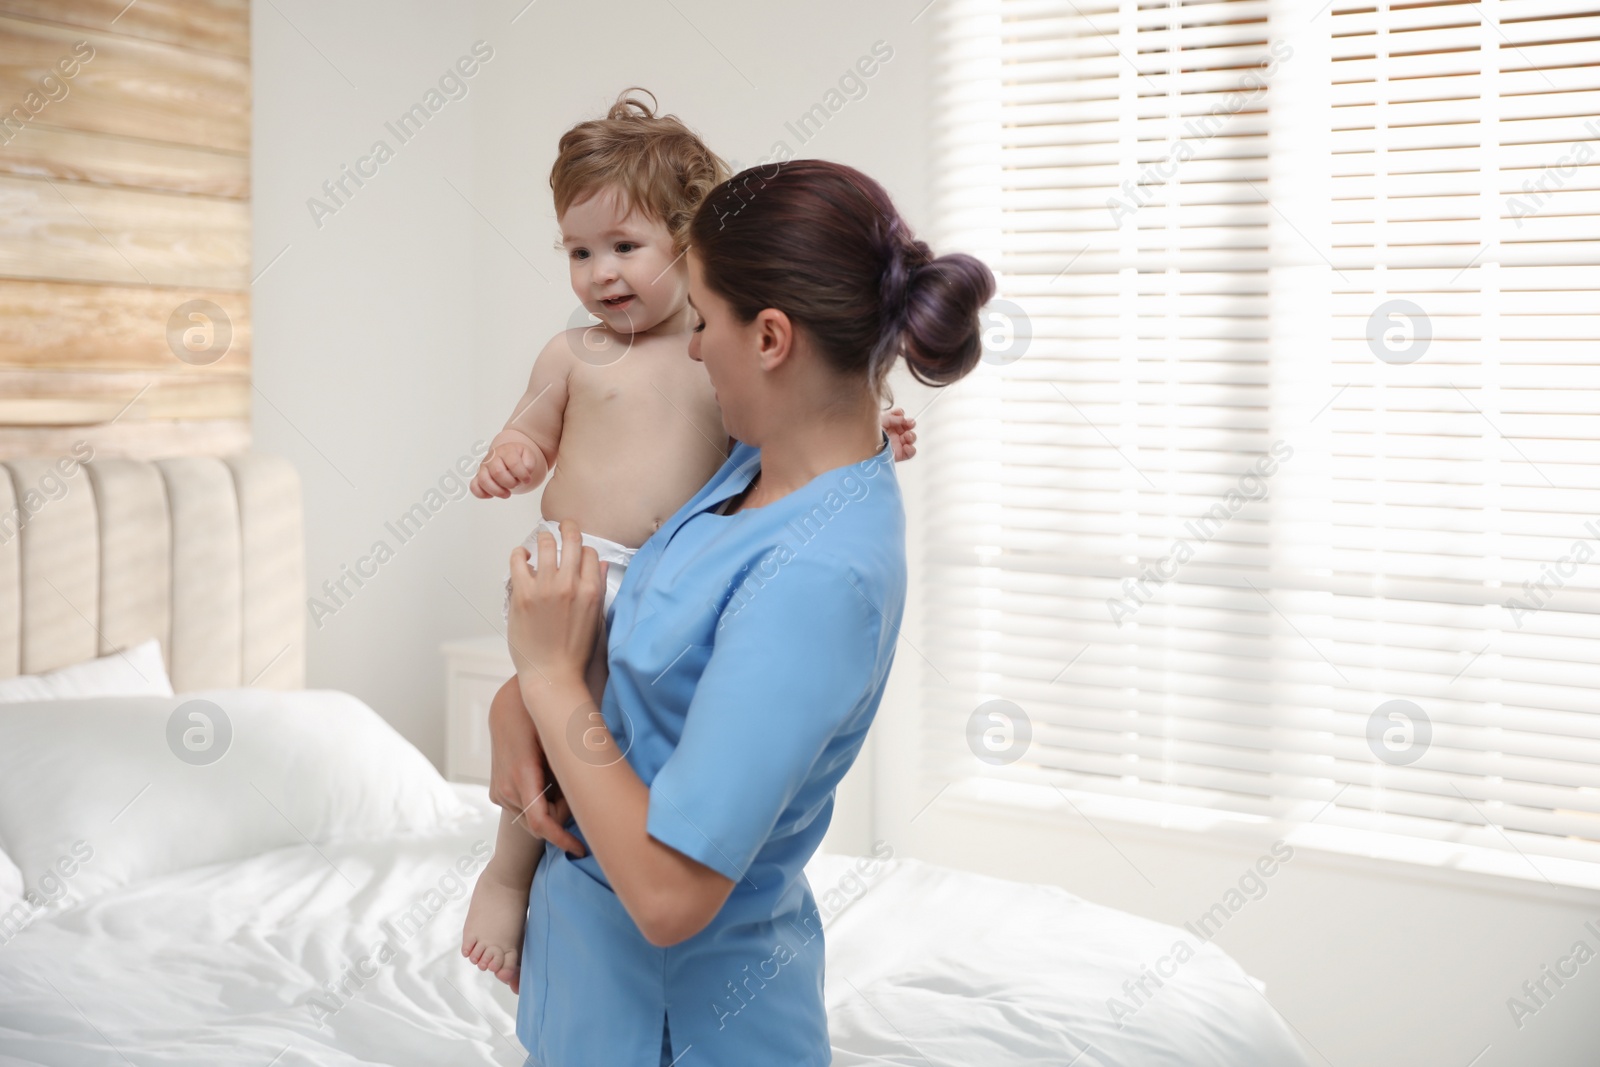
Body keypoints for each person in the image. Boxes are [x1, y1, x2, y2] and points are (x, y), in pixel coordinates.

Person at [497, 158, 994, 1066]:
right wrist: (519, 707)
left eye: (704, 317)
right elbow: (648, 679)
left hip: (682, 1023)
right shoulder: (757, 465)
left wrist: (545, 677)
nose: (688, 348)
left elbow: (668, 895)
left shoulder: (816, 577)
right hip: (592, 999)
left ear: (770, 337)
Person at [460, 92, 918, 992]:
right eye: (579, 252)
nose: (599, 272)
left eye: (624, 248)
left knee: (573, 717)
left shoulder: (785, 499)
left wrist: (543, 681)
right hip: (577, 563)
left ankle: (516, 868)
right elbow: (530, 427)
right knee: (550, 755)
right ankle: (507, 871)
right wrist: (520, 693)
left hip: (669, 987)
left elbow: (817, 413)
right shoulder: (576, 356)